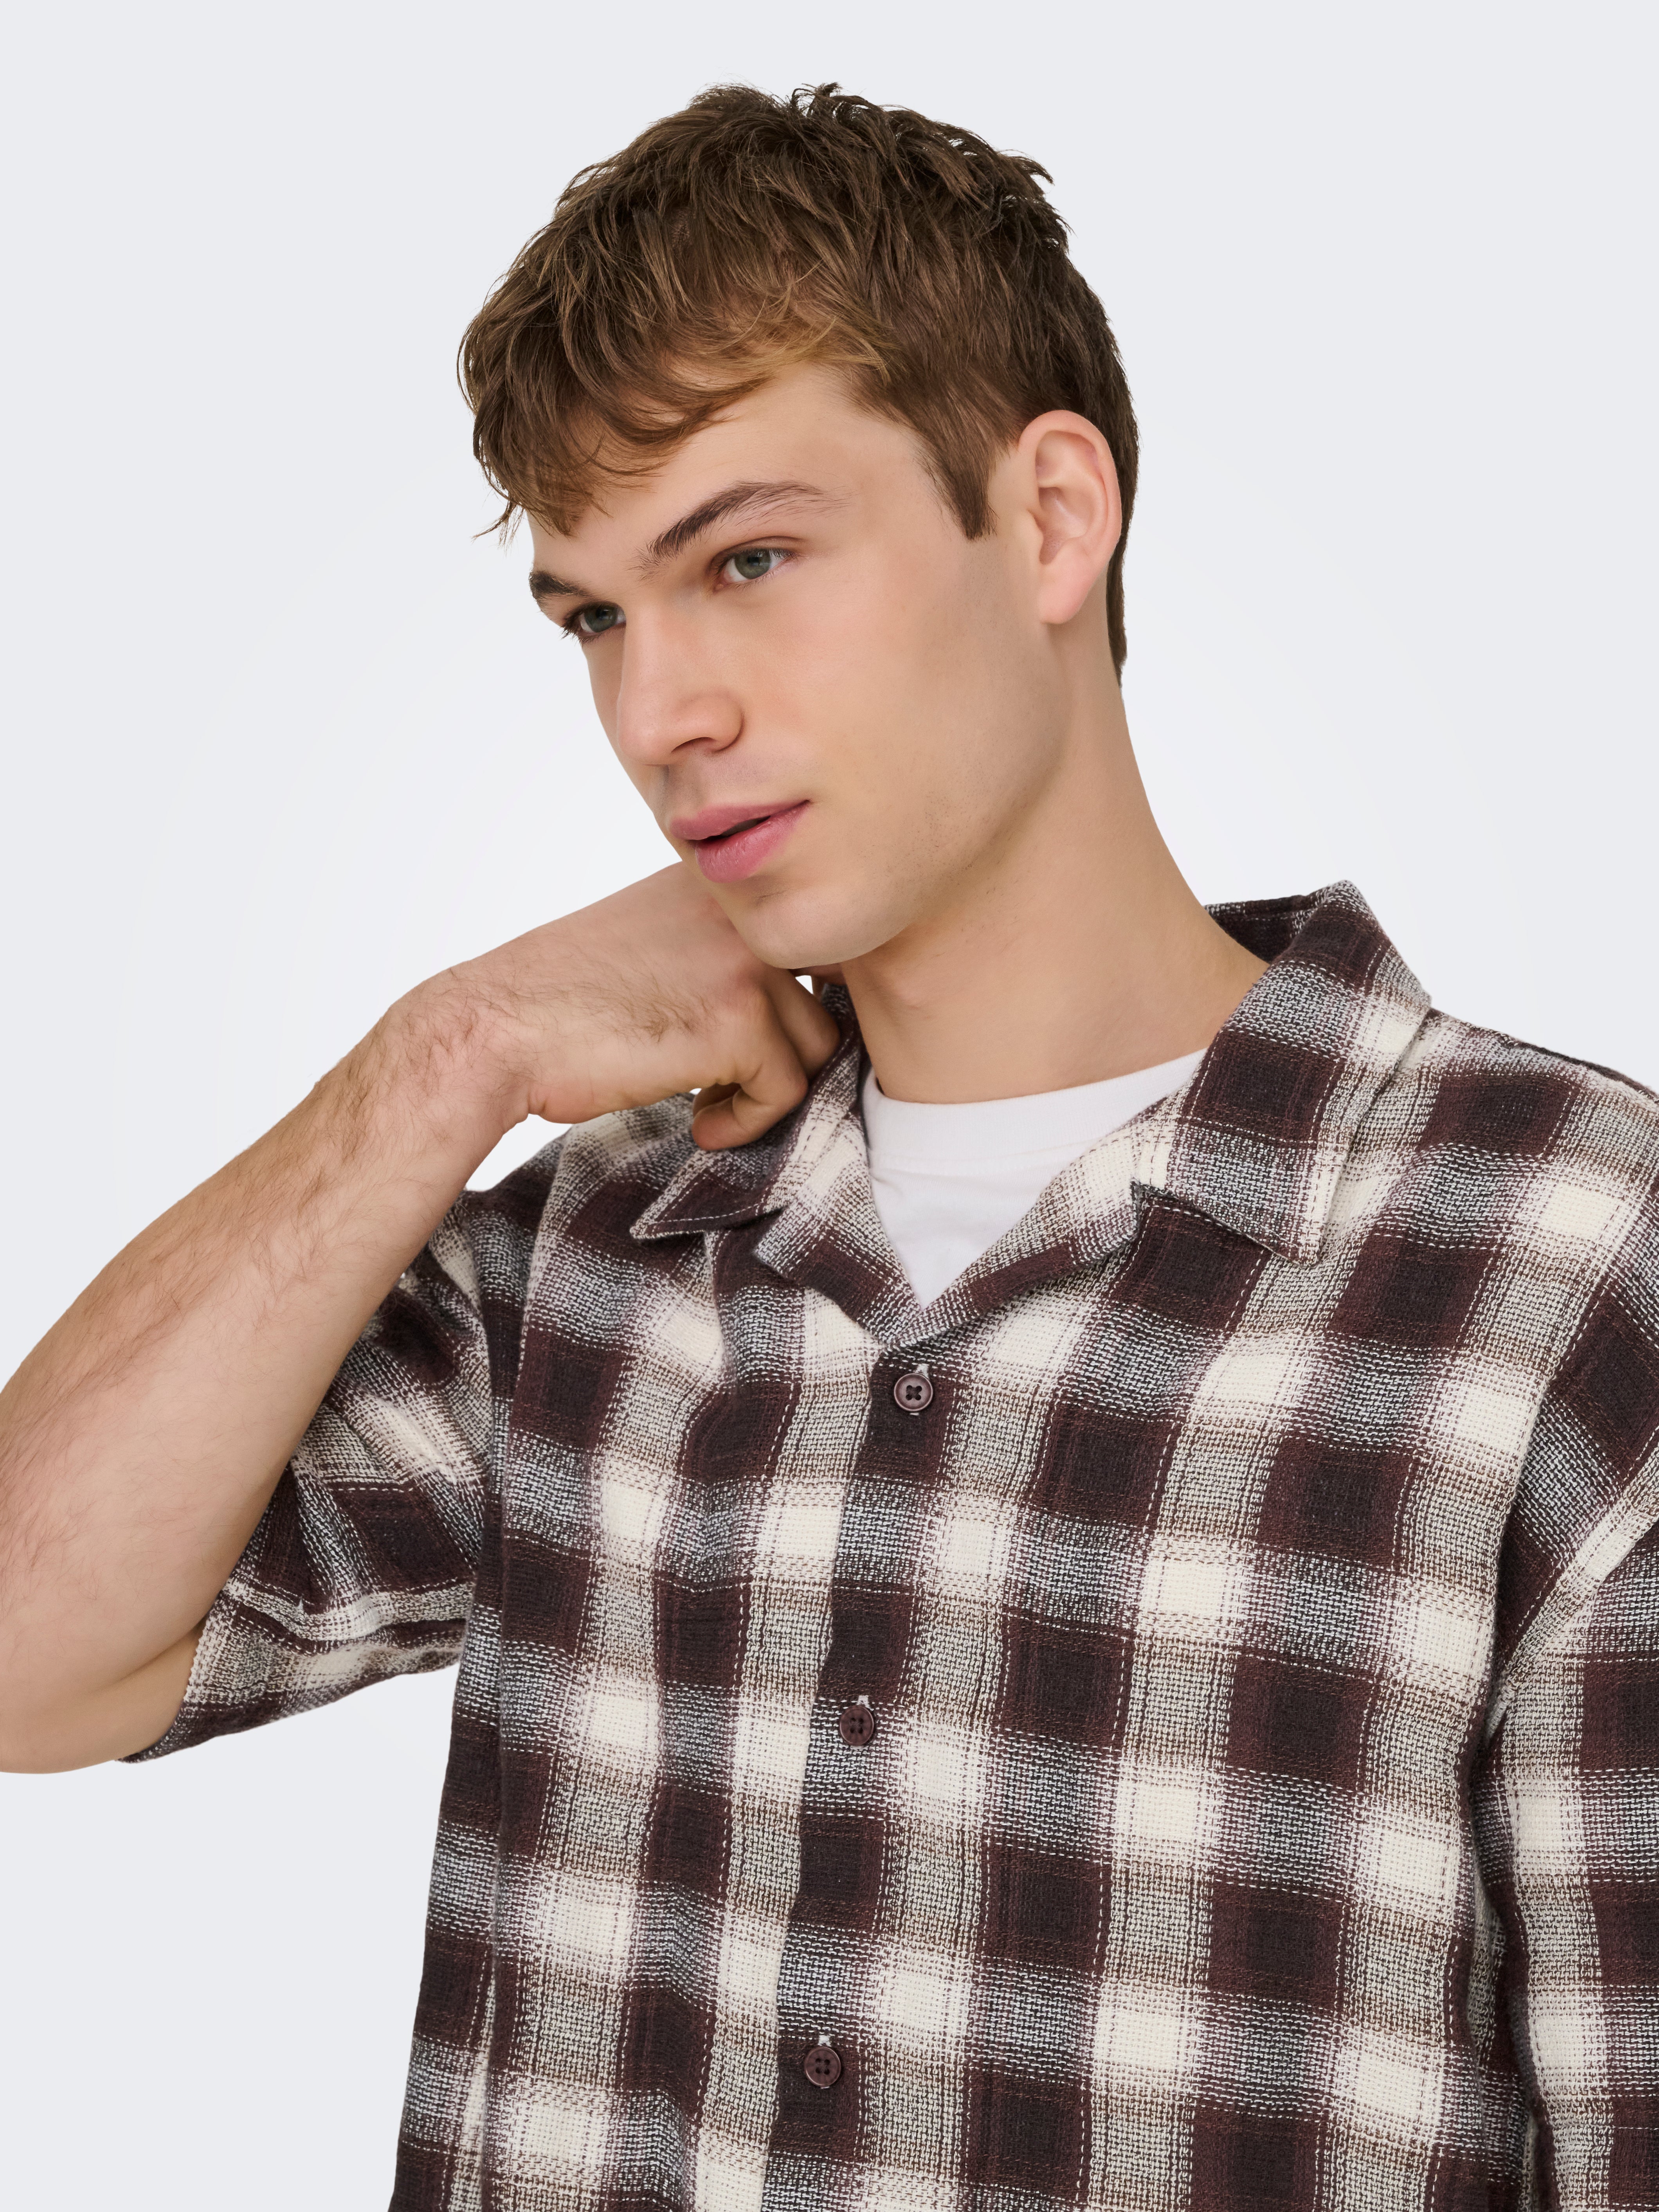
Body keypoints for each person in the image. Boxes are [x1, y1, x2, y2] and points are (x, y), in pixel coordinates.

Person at [1, 78, 1655, 2212]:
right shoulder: (605, 1247)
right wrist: (447, 1056)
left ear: (1050, 518)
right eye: (596, 616)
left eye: (748, 559)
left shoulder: (1565, 1268)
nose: (657, 714)